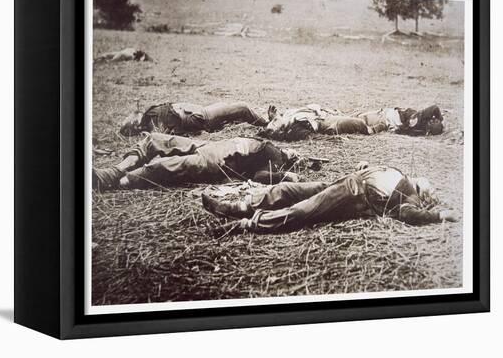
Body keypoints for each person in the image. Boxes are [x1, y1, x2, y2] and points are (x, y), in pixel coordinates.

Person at [201, 162, 458, 235]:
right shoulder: (400, 173)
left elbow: (407, 214)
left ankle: (244, 224)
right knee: (288, 191)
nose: (428, 185)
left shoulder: (409, 195)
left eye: (430, 190)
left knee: (302, 211)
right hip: (347, 181)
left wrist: (437, 215)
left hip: (352, 195)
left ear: (423, 194)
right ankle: (235, 207)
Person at [93, 132, 300, 191]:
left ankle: (117, 182)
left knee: (166, 166)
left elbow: (260, 177)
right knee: (155, 140)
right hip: (210, 145)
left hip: (219, 160)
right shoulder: (268, 144)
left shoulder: (277, 158)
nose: (293, 151)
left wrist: (285, 175)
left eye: (295, 154)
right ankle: (114, 171)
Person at [261, 104, 444, 140]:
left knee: (356, 119)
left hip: (327, 115)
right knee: (358, 122)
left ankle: (369, 126)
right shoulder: (416, 118)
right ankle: (371, 129)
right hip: (385, 116)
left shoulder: (292, 115)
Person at [120, 102, 269, 136]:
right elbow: (166, 132)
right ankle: (269, 125)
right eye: (134, 118)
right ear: (136, 124)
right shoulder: (153, 121)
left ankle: (263, 121)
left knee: (236, 112)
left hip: (200, 112)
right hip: (203, 116)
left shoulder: (152, 117)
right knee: (242, 108)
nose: (137, 113)